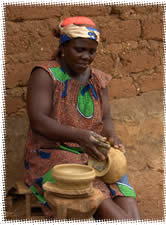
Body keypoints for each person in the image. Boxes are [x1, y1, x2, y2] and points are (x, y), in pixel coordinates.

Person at [24, 16, 141, 220]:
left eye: (92, 51)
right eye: (80, 49)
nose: (86, 56)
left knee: (122, 188)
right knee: (101, 200)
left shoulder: (98, 79)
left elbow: (106, 119)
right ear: (63, 47)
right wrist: (80, 136)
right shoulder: (46, 75)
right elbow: (38, 120)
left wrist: (112, 138)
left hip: (91, 152)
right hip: (53, 154)